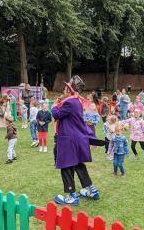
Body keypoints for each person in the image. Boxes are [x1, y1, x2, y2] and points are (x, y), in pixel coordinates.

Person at [52, 75, 99, 206]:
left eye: (65, 89)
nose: (63, 91)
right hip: (77, 138)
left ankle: (72, 195)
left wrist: (55, 105)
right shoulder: (76, 101)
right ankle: (91, 190)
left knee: (66, 166)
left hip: (69, 139)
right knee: (78, 164)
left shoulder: (70, 102)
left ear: (70, 90)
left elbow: (56, 114)